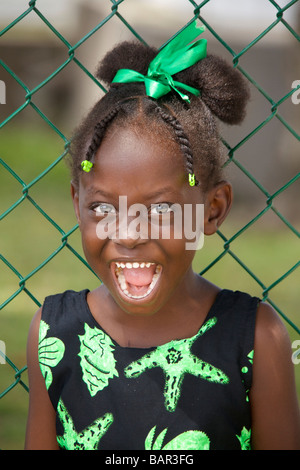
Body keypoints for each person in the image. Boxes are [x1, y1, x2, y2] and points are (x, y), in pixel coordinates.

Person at [25, 21, 300, 450]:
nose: (129, 233)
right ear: (78, 202)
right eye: (102, 208)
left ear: (213, 211)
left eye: (160, 210)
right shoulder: (53, 334)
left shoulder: (258, 339)